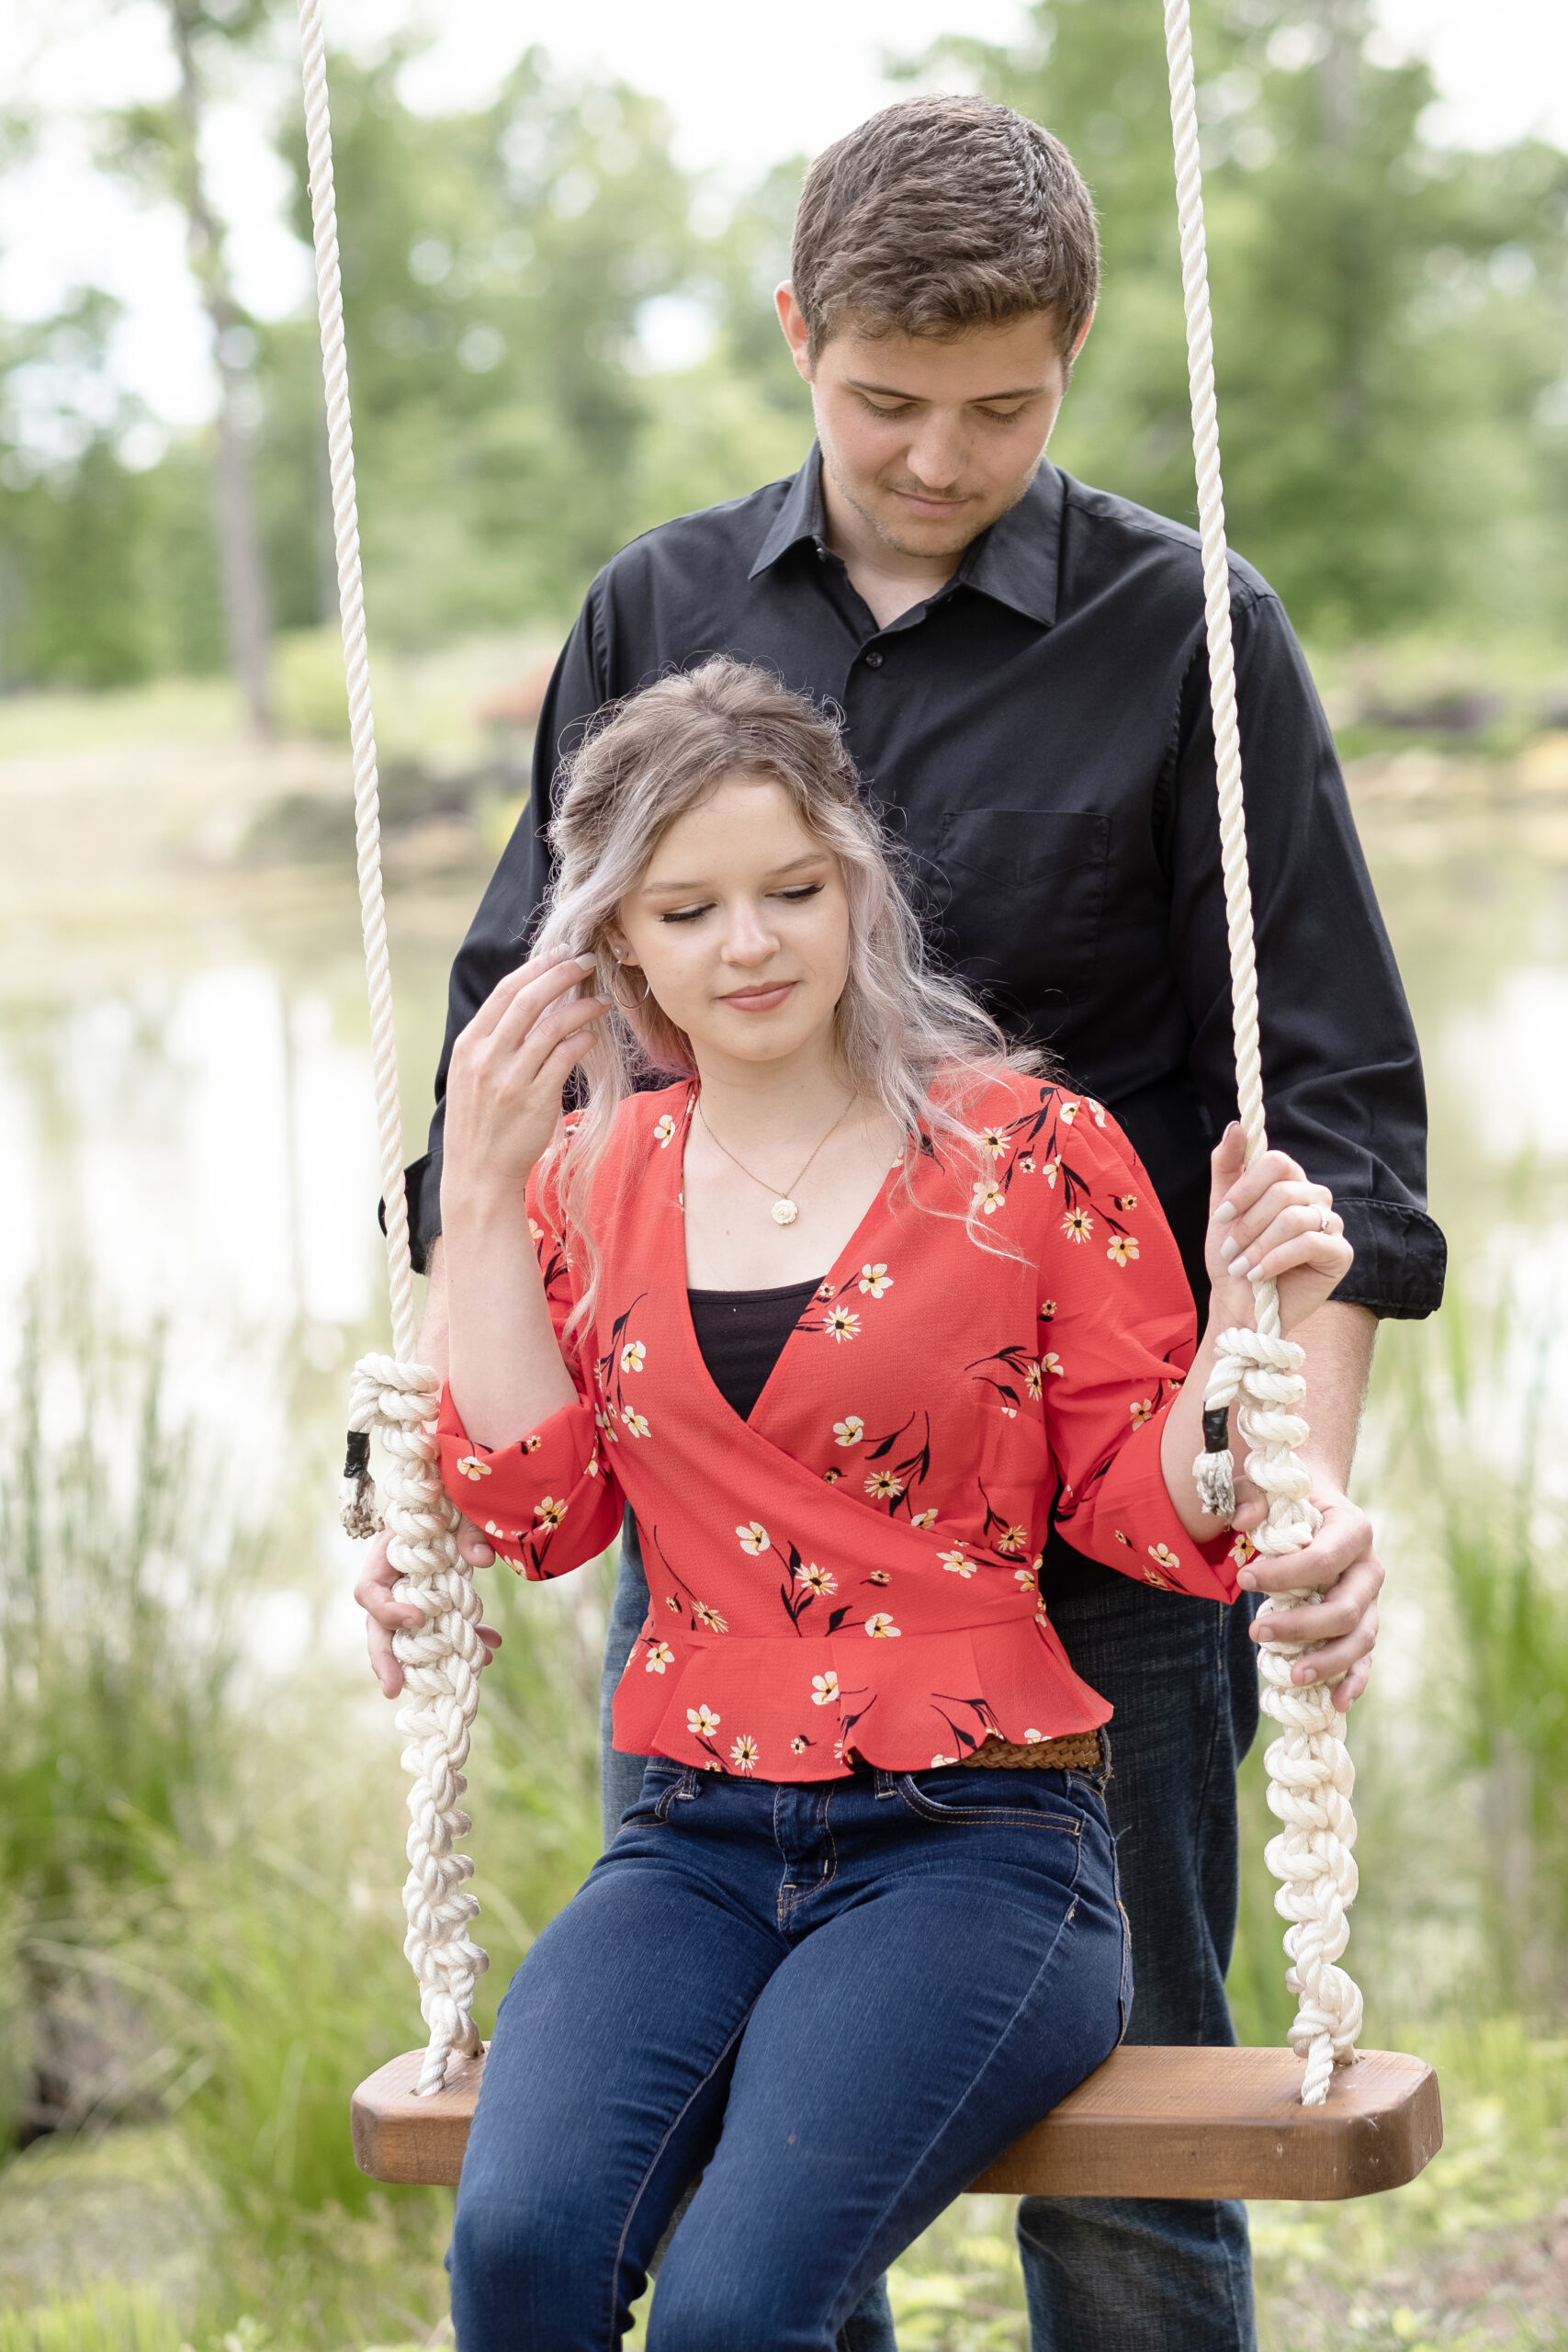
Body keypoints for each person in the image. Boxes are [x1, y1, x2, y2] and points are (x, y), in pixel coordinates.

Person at [356, 95, 1443, 2352]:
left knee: (1135, 2140)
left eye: (1001, 406)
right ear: (793, 338)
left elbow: (1329, 1112)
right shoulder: (657, 607)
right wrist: (411, 1470)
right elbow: (510, 1062)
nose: (940, 456)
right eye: (883, 403)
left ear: (1071, 357)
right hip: (729, 1473)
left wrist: (1292, 1492)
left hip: (1106, 1483)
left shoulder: (1181, 625)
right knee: (744, 2133)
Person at [433, 659, 1360, 2352]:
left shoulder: (1027, 1150)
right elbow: (538, 1513)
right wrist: (477, 1202)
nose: (754, 943)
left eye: (794, 889)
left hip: (980, 1850)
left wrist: (1241, 1349)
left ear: (858, 886)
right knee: (518, 2251)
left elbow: (1146, 1508)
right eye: (692, 906)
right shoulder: (588, 1178)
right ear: (622, 941)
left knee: (735, 2310)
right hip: (689, 1840)